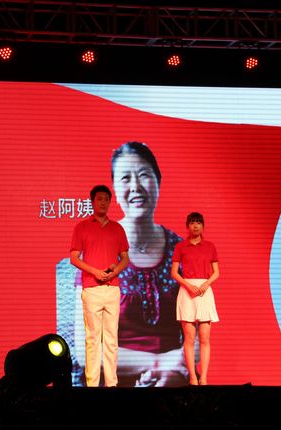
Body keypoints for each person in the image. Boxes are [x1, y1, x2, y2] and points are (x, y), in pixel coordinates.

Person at [111, 141, 187, 387]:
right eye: (125, 178)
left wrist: (170, 375)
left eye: (144, 175)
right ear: (114, 189)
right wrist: (157, 363)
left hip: (175, 380)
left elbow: (198, 341)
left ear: (158, 182)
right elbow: (87, 349)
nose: (135, 186)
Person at [70, 185, 130, 387]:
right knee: (93, 338)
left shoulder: (117, 228)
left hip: (112, 288)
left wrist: (115, 271)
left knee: (111, 339)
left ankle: (112, 384)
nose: (103, 202)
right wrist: (95, 271)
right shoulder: (82, 227)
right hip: (91, 288)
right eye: (99, 199)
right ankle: (92, 385)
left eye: (106, 199)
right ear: (92, 202)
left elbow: (125, 258)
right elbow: (74, 258)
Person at [171, 212, 219, 385]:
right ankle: (192, 377)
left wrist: (206, 284)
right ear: (187, 226)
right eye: (192, 222)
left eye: (199, 222)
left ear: (203, 226)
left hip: (204, 291)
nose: (196, 225)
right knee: (189, 338)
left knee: (205, 338)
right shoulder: (181, 247)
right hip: (187, 291)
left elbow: (217, 272)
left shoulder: (210, 246)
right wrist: (187, 285)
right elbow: (174, 272)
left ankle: (204, 377)